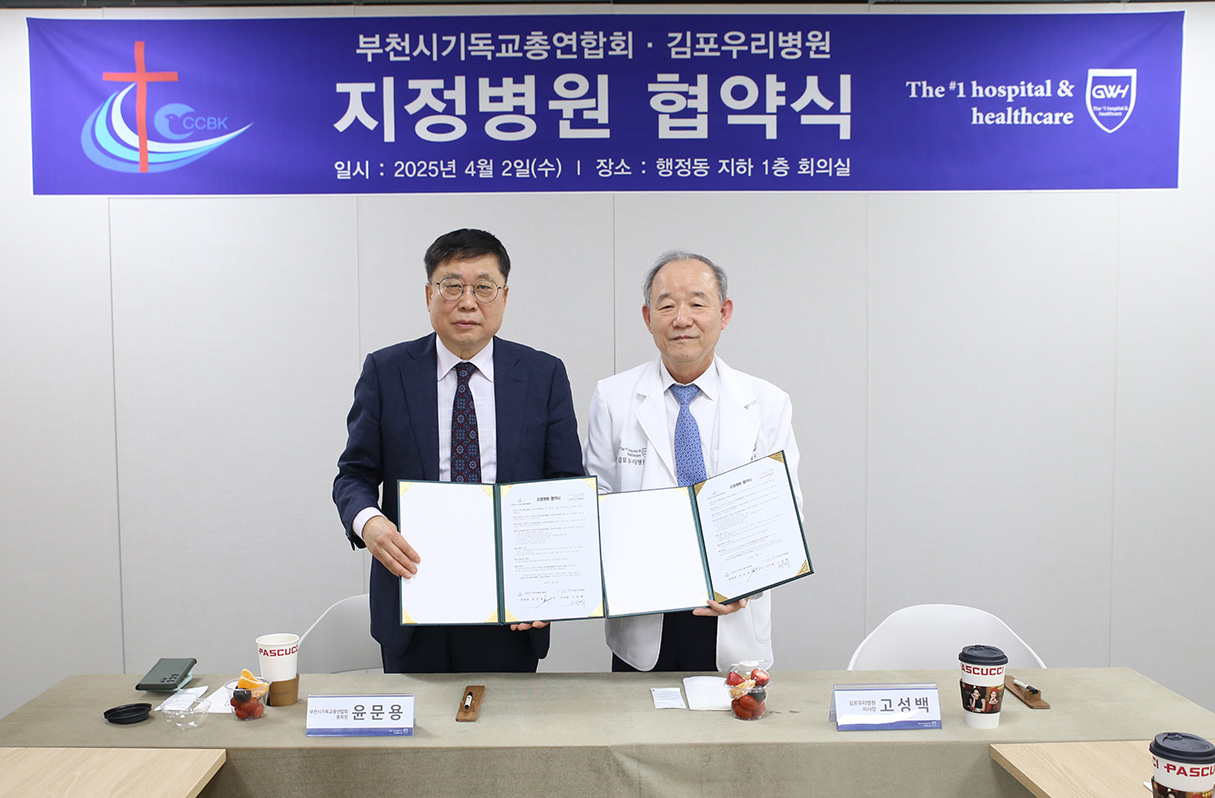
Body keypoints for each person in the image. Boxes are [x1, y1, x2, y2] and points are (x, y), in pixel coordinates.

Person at [333, 228, 583, 673]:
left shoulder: (542, 375)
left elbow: (566, 485)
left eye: (484, 287)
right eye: (452, 286)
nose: (468, 302)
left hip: (510, 605)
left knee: (504, 718)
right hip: (413, 592)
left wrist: (551, 582)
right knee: (417, 719)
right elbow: (354, 473)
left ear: (504, 296)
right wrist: (369, 523)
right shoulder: (387, 371)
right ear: (429, 294)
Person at [583, 251, 803, 672]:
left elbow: (786, 514)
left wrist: (746, 585)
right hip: (644, 615)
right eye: (666, 306)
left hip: (733, 615)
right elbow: (597, 503)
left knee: (730, 715)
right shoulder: (613, 398)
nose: (681, 319)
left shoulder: (767, 403)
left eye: (697, 303)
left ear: (724, 313)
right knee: (638, 713)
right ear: (648, 317)